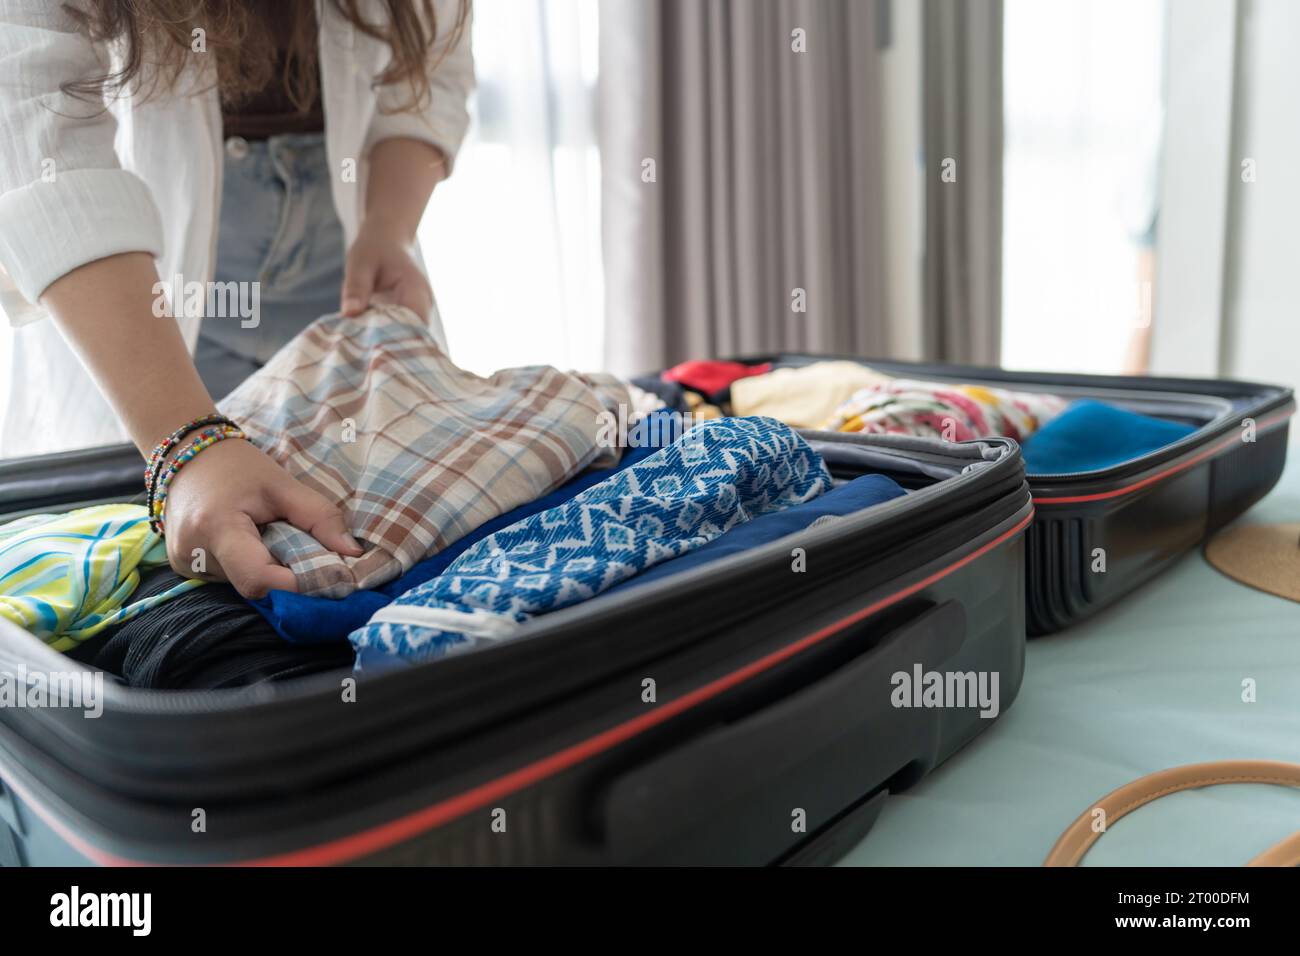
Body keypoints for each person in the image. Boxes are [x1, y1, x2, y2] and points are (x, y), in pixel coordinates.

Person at [0, 0, 474, 597]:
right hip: (135, 283)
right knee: (172, 567)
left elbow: (433, 61)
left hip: (345, 230)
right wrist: (187, 445)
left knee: (387, 551)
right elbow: (29, 114)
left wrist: (391, 226)